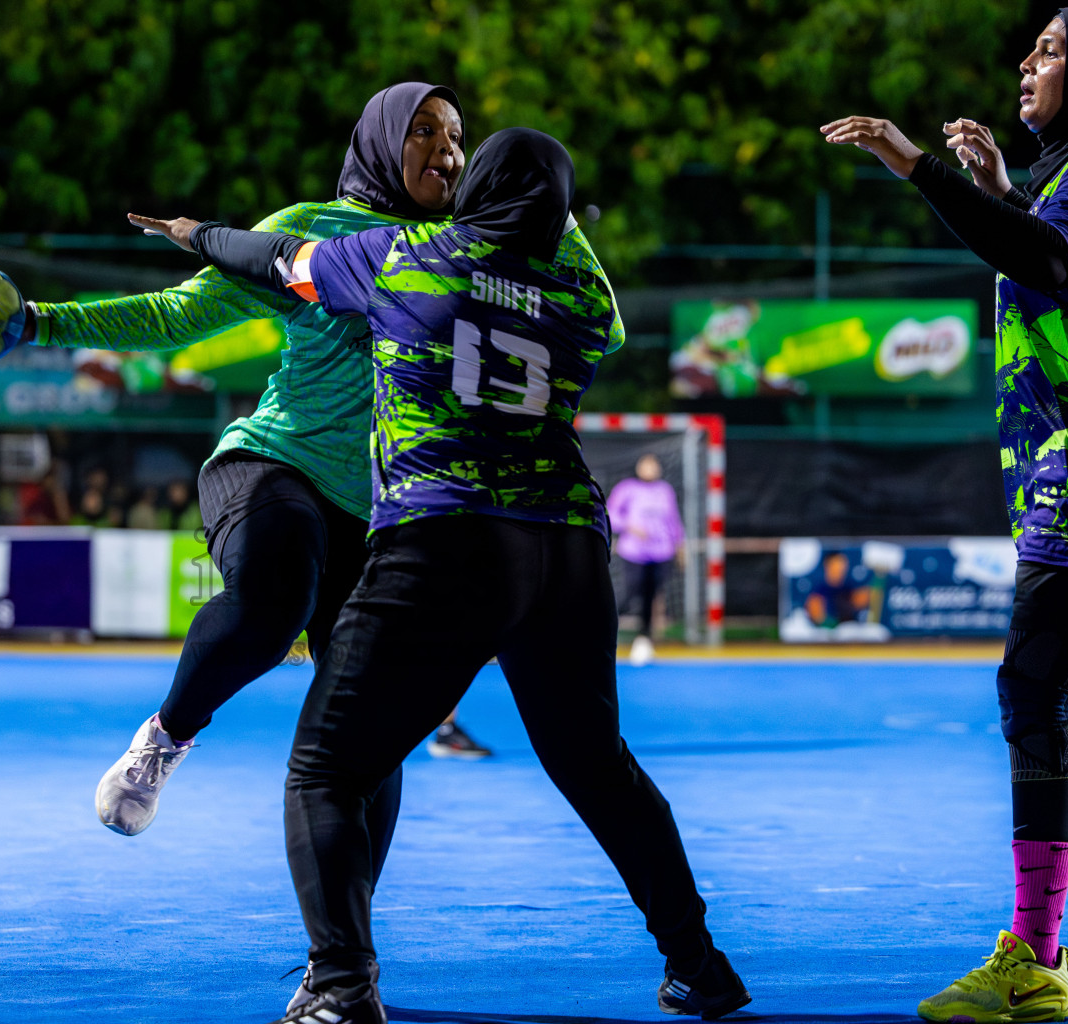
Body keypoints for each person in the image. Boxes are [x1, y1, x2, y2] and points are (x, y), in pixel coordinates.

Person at [134, 127, 750, 1023]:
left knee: (328, 772)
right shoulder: (581, 295)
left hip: (445, 537)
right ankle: (701, 964)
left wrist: (197, 235)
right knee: (598, 767)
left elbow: (278, 260)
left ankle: (341, 986)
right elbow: (594, 291)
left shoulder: (408, 256)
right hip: (569, 550)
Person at [20, 84, 499, 853]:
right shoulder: (315, 231)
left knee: (373, 728)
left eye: (456, 134)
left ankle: (344, 959)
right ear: (379, 141)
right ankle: (166, 738)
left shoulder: (468, 254)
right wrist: (43, 323)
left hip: (378, 516)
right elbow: (179, 315)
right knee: (273, 606)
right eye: (423, 131)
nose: (447, 149)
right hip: (276, 464)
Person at [823, 6, 1068, 1021]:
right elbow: (1049, 251)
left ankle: (1036, 960)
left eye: (1053, 48)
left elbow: (1058, 264)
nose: (1028, 61)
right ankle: (1039, 958)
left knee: (1038, 693)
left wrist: (919, 169)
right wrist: (1001, 192)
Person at [609, 453, 684, 667]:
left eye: (654, 464)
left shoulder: (664, 490)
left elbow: (674, 520)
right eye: (646, 464)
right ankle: (603, 630)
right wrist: (630, 526)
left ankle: (644, 639)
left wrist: (680, 546)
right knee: (632, 591)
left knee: (652, 595)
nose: (651, 468)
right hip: (634, 552)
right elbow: (610, 514)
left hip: (661, 552)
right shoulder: (627, 488)